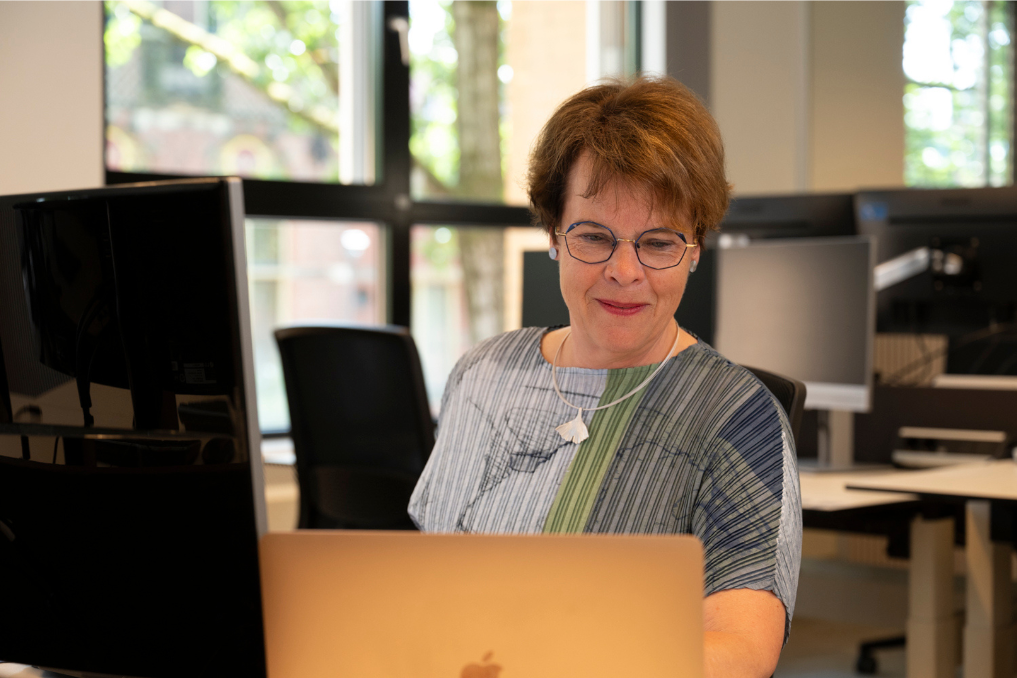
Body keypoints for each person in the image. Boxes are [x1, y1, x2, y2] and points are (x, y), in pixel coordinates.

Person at [408, 76, 801, 678]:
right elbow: (426, 584)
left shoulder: (736, 419)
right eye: (593, 237)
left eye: (658, 243)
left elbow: (742, 652)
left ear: (695, 249)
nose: (624, 271)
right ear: (553, 237)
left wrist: (560, 658)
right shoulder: (482, 374)